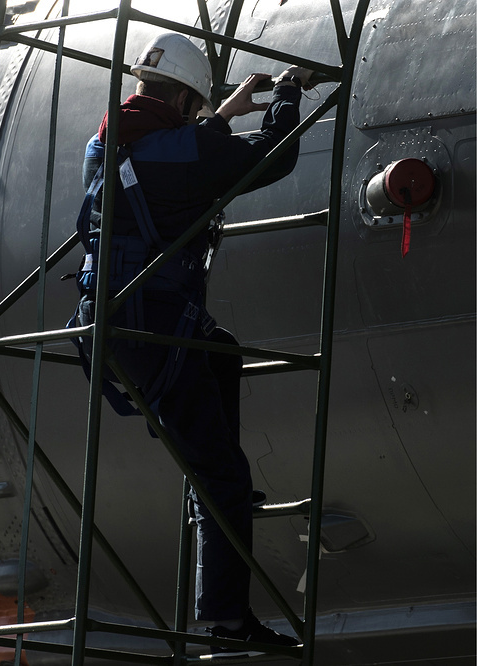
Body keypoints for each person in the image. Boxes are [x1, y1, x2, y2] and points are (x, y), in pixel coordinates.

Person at [69, 32, 313, 657]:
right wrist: (286, 97)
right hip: (154, 328)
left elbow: (182, 153)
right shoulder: (175, 152)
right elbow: (271, 158)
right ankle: (229, 622)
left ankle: (214, 487)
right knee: (223, 479)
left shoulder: (110, 140)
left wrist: (219, 116)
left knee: (222, 354)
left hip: (126, 323)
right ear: (182, 99)